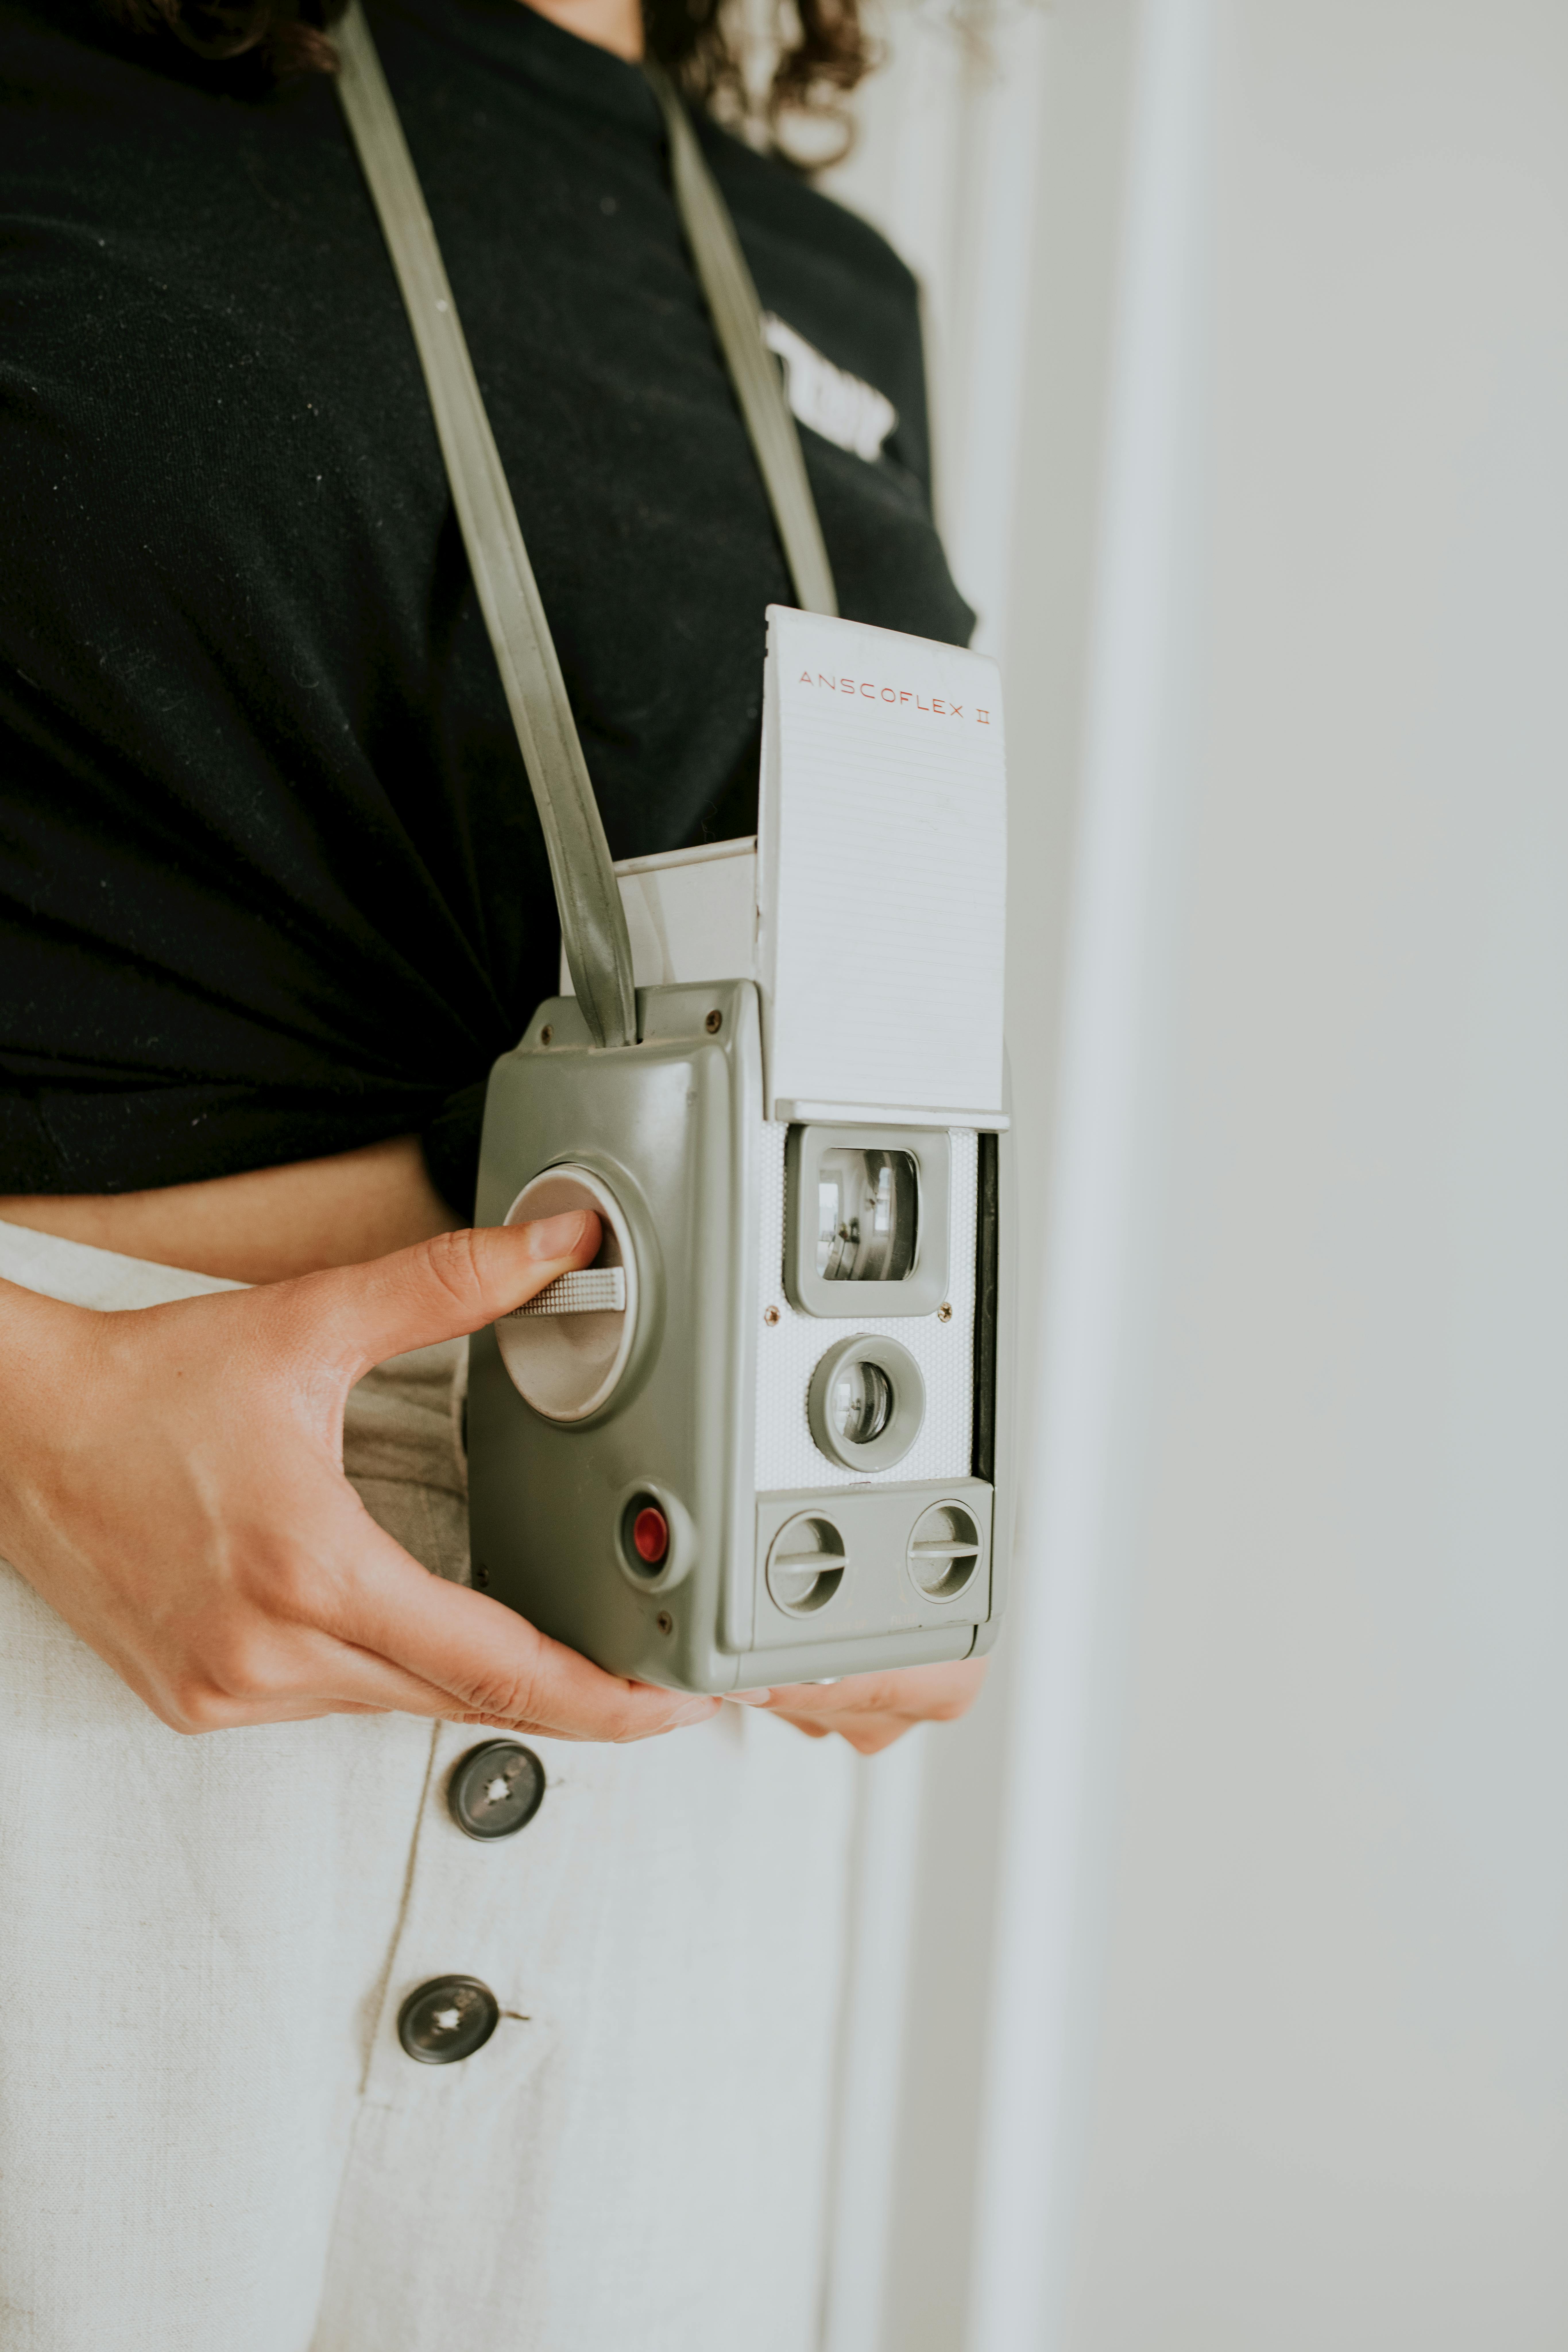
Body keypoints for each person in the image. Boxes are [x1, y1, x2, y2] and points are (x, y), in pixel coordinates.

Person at [0, 0, 985, 2341]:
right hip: (73, 1645)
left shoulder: (819, 279)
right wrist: (35, 1417)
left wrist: (906, 1448)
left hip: (673, 1782)